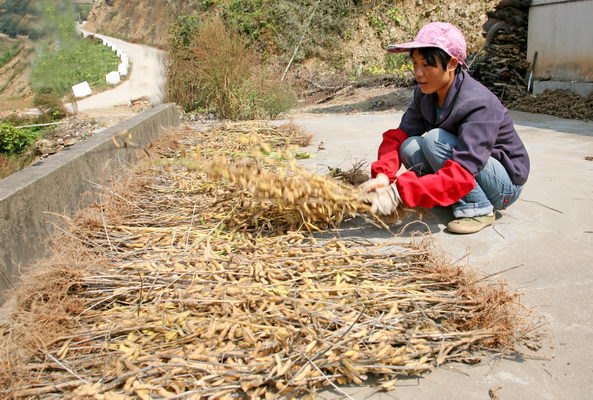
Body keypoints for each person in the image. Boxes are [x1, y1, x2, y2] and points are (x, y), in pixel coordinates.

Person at [360, 22, 530, 234]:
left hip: (503, 185)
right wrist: (383, 176)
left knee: (434, 139)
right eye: (414, 64)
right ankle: (446, 195)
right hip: (466, 167)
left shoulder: (479, 103)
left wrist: (399, 193)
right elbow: (398, 136)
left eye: (427, 65)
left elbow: (465, 167)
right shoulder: (425, 94)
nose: (418, 73)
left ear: (451, 64)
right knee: (409, 145)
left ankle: (479, 208)